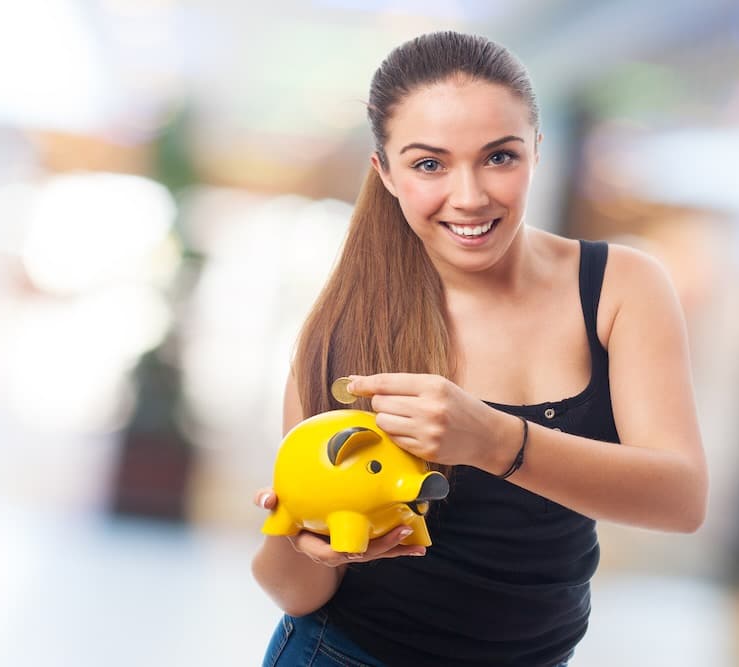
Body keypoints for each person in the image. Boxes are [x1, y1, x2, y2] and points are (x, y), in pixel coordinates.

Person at [251, 30, 707, 667]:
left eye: (499, 157)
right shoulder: (346, 326)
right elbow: (297, 593)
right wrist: (301, 541)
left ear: (537, 153)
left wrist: (496, 441)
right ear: (384, 172)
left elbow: (681, 500)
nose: (469, 197)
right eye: (429, 164)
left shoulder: (619, 287)